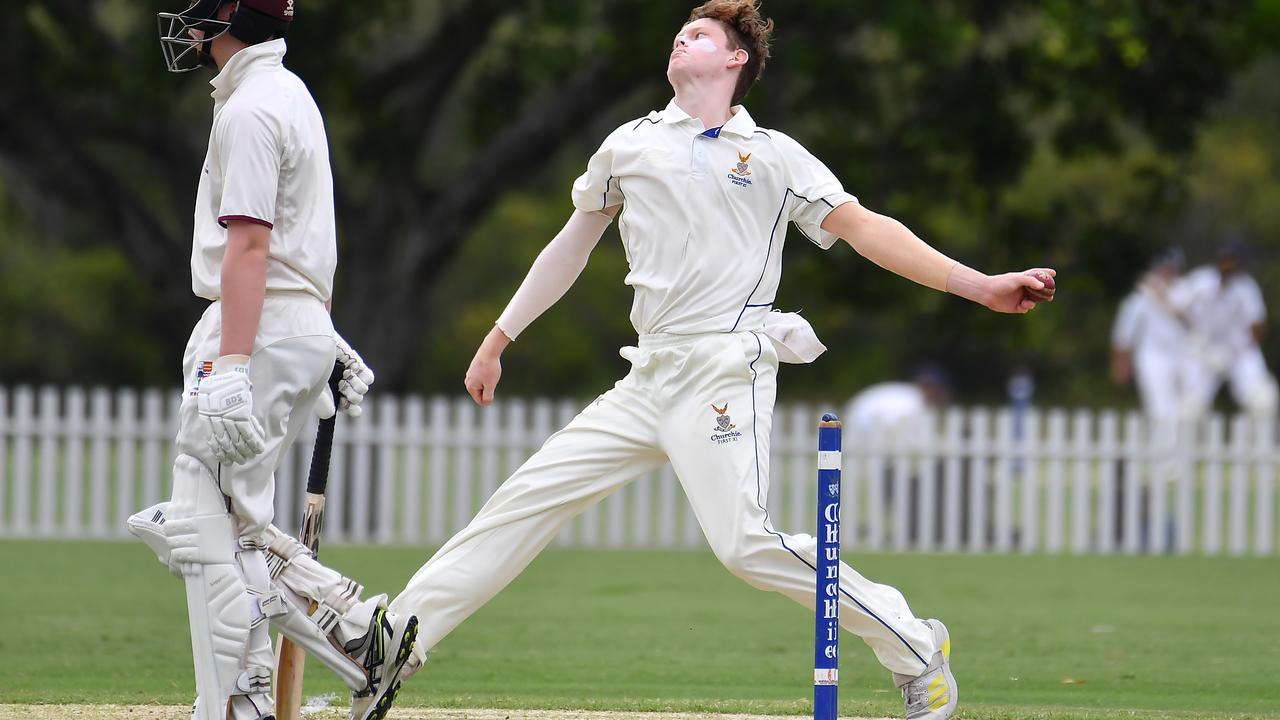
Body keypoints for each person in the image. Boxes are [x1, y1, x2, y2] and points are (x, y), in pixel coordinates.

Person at [369, 3, 1054, 719]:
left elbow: (866, 229)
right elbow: (569, 246)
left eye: (699, 35)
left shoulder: (775, 155)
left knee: (745, 546)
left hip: (725, 369)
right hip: (647, 376)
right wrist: (498, 337)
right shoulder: (629, 144)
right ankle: (390, 646)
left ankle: (915, 646)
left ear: (735, 62)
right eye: (679, 31)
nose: (680, 38)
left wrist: (979, 286)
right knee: (525, 499)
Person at [126, 3, 417, 719]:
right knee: (231, 532)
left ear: (231, 12)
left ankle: (269, 684)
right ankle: (313, 661)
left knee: (207, 533)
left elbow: (252, 247)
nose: (186, 16)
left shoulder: (251, 107)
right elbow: (294, 242)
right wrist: (314, 335)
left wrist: (232, 363)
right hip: (288, 326)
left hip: (256, 332)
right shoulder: (288, 94)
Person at [1177, 241, 1277, 417]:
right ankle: (1192, 443)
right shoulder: (1201, 280)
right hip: (1204, 351)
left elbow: (1259, 325)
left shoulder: (1246, 287)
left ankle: (1258, 442)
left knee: (1263, 401)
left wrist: (1242, 347)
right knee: (1190, 409)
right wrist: (1195, 335)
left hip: (1238, 351)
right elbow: (1178, 309)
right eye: (1226, 259)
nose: (1229, 265)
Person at [1110, 249, 1196, 418]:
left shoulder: (1186, 291)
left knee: (1189, 407)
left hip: (1186, 354)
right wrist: (1121, 362)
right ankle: (1164, 443)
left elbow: (1195, 322)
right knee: (1160, 408)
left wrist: (1164, 297)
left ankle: (1184, 443)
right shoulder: (1141, 295)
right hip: (1153, 356)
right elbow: (1124, 333)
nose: (1169, 273)